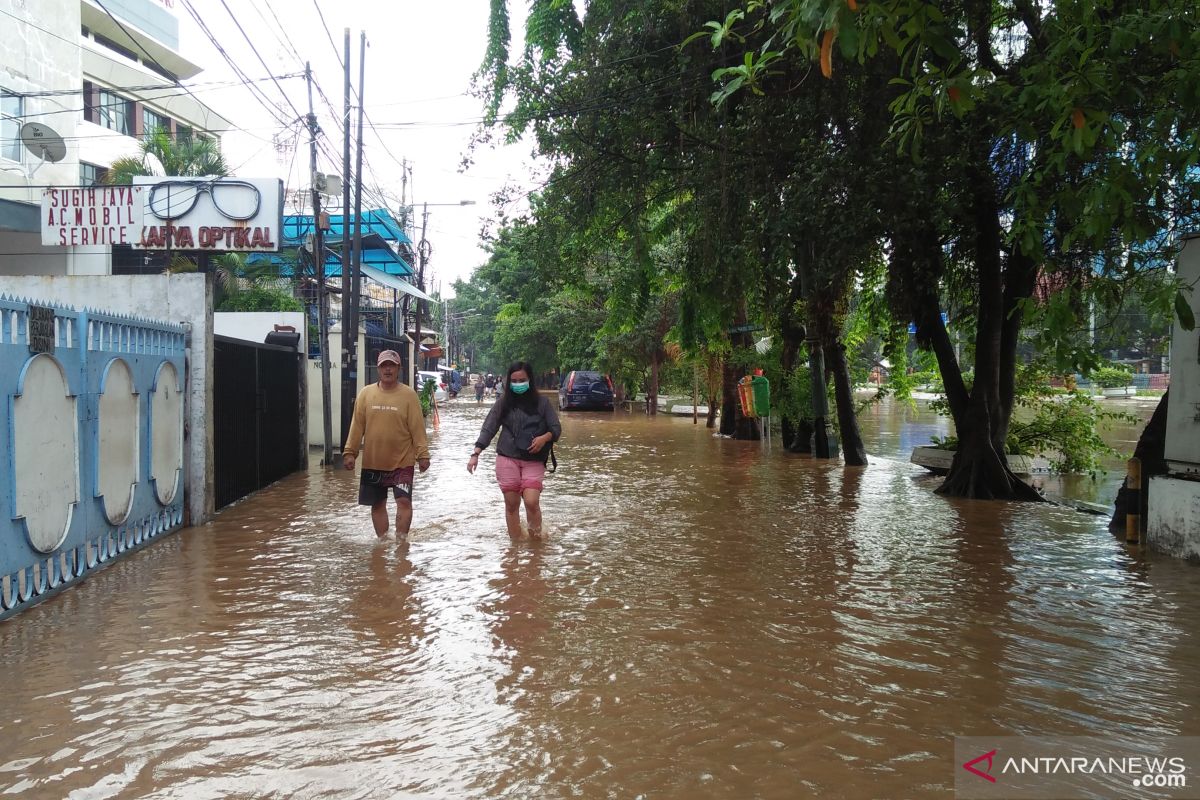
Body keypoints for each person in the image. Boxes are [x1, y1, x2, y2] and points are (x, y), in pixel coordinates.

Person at [468, 361, 561, 539]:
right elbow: (489, 428)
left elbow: (556, 429)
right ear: (509, 383)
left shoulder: (542, 403)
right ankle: (515, 547)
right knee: (511, 505)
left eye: (522, 380)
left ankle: (536, 545)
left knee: (532, 502)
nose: (518, 384)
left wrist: (545, 437)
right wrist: (476, 453)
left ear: (530, 380)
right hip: (507, 458)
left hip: (533, 460)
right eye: (514, 381)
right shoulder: (503, 403)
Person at [343, 350, 431, 539]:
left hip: (402, 461)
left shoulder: (409, 396)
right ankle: (383, 542)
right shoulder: (366, 394)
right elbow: (357, 425)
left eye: (391, 365)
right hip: (373, 461)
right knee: (377, 504)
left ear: (398, 368)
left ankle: (401, 543)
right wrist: (350, 452)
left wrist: (423, 455)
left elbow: (417, 429)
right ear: (378, 368)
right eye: (384, 365)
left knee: (404, 502)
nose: (388, 369)